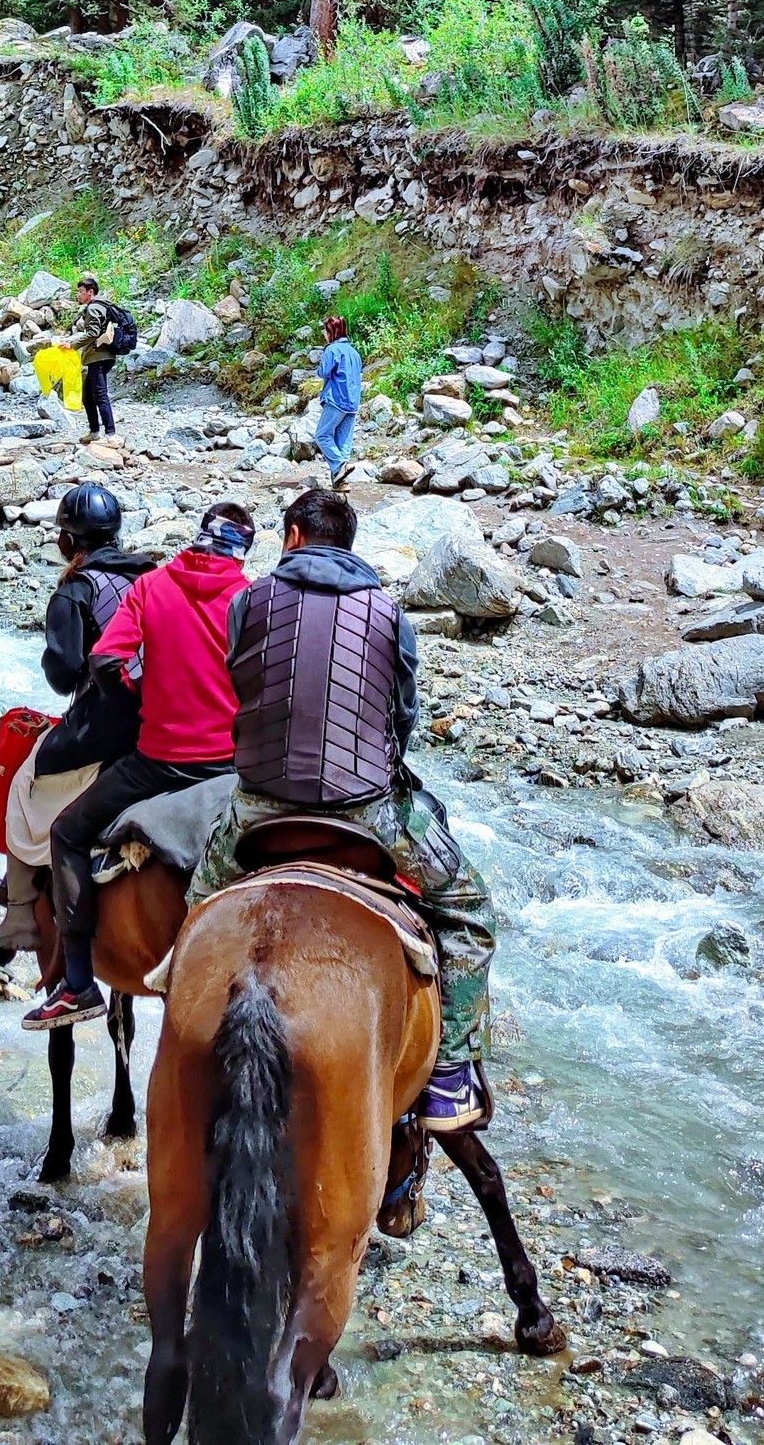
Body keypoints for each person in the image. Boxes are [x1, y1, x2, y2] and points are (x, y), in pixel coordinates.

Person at [190, 489, 496, 1132]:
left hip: (258, 803)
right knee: (467, 909)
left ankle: (178, 1000)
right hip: (366, 809)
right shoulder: (388, 611)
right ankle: (449, 1071)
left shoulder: (248, 600)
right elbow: (404, 710)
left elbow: (240, 676)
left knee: (200, 903)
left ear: (294, 536)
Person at [22, 502, 256, 1031]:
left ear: (200, 537)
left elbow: (104, 660)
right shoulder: (251, 595)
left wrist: (133, 698)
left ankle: (78, 983)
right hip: (230, 768)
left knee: (68, 832)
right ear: (242, 549)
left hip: (160, 763)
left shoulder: (153, 586)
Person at [0, 483, 154, 955]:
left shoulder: (77, 589)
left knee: (23, 776)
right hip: (167, 720)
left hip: (110, 727)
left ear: (67, 542)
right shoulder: (153, 576)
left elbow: (62, 676)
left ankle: (19, 914)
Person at [60, 275, 117, 445]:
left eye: (81, 292)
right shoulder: (102, 306)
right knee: (87, 396)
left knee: (100, 395)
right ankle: (94, 432)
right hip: (101, 356)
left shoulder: (93, 309)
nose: (78, 295)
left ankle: (111, 435)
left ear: (90, 292)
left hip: (98, 357)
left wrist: (73, 344)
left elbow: (92, 333)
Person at [315, 315, 362, 488]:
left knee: (322, 435)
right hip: (353, 402)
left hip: (336, 399)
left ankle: (340, 466)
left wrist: (318, 369)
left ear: (331, 332)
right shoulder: (354, 352)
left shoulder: (332, 350)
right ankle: (341, 483)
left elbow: (324, 372)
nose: (324, 334)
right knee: (343, 443)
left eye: (325, 330)